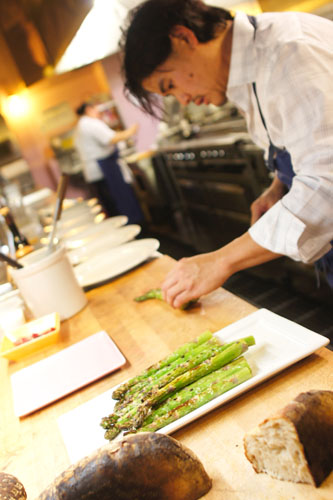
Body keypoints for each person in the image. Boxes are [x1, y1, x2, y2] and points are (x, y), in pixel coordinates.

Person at [120, 0, 333, 307]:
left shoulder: (289, 52)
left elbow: (327, 186)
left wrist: (220, 261)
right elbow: (301, 143)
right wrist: (280, 188)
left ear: (184, 38)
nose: (184, 98)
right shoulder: (245, 69)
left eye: (170, 84)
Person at [74, 101, 144, 224]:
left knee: (111, 205)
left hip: (98, 171)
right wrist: (131, 131)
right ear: (89, 110)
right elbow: (111, 138)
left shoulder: (81, 125)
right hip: (104, 169)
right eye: (96, 109)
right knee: (120, 202)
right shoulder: (89, 123)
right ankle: (134, 227)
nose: (99, 112)